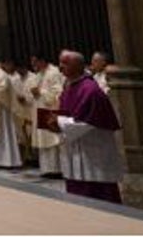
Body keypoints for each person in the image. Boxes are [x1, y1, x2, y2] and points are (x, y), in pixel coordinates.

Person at [52, 48, 124, 204]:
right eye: (60, 63)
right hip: (76, 149)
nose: (61, 67)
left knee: (98, 196)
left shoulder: (89, 90)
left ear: (78, 65)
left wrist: (56, 122)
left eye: (65, 63)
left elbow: (85, 121)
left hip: (92, 151)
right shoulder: (70, 87)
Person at [28, 54, 65, 176]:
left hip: (50, 109)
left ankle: (57, 169)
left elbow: (58, 92)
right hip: (40, 108)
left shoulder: (53, 72)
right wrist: (34, 93)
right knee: (44, 140)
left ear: (42, 60)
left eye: (35, 62)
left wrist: (40, 92)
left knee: (52, 140)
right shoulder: (39, 74)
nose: (33, 65)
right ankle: (47, 169)